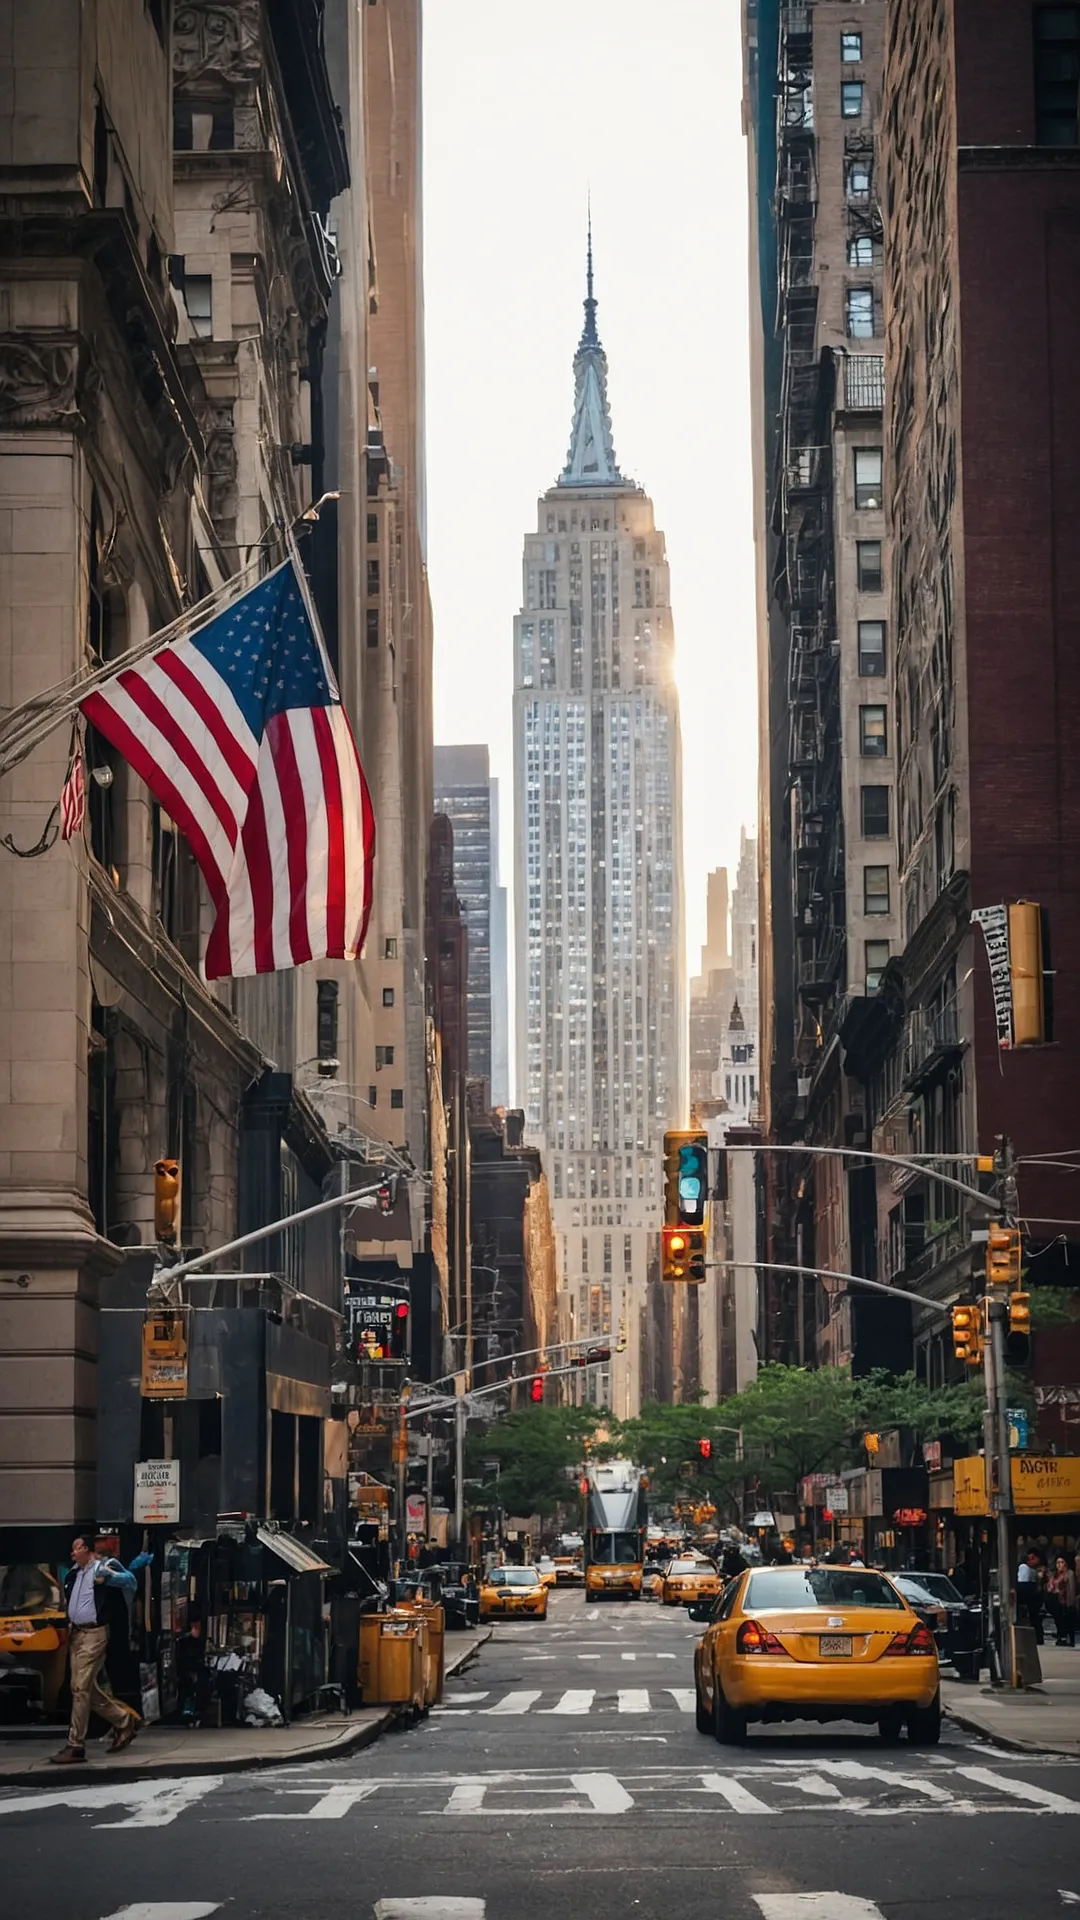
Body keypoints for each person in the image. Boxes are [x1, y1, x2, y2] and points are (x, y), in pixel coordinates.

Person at [50, 1532, 141, 1765]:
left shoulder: (103, 1567)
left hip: (95, 1634)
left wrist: (109, 1576)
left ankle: (76, 1744)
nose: (73, 1552)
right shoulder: (73, 1573)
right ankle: (123, 1721)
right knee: (84, 1688)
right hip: (77, 1634)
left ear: (88, 1550)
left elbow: (130, 1581)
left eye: (77, 1548)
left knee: (80, 1688)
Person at [1048, 1555, 1078, 1648]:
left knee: (1069, 1621)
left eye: (1062, 1562)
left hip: (1066, 1600)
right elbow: (1050, 1587)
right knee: (1059, 1620)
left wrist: (1070, 1602)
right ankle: (1061, 1636)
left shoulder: (1069, 1573)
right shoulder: (1054, 1575)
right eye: (1058, 1563)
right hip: (1056, 1600)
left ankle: (1069, 1638)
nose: (1059, 1565)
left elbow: (1071, 1589)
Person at [1017, 1549, 1044, 1645]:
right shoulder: (1024, 1568)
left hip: (1033, 1596)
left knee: (1035, 1619)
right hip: (1027, 1595)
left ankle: (1038, 1638)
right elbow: (1023, 1585)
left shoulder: (1034, 1570)